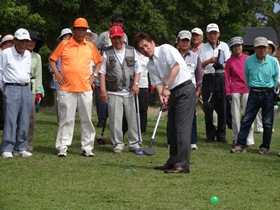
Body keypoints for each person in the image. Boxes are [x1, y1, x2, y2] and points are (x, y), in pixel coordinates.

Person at [133, 32, 196, 174]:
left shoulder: (166, 49)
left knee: (181, 129)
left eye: (146, 46)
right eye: (141, 49)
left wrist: (166, 87)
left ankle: (183, 165)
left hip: (185, 89)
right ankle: (173, 161)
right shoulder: (150, 64)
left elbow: (176, 68)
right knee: (171, 129)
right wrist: (162, 93)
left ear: (152, 42)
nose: (145, 50)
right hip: (172, 92)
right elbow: (157, 83)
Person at [49, 17, 102, 157]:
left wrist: (94, 75)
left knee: (87, 119)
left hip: (85, 88)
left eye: (83, 29)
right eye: (78, 29)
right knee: (66, 119)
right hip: (67, 88)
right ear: (74, 30)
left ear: (86, 31)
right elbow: (52, 59)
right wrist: (57, 73)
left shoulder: (90, 46)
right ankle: (62, 147)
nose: (81, 32)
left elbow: (99, 62)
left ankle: (87, 147)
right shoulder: (65, 44)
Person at [231, 37, 279, 155]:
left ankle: (265, 147)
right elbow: (247, 77)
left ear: (268, 49)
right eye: (259, 47)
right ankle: (240, 144)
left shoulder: (273, 61)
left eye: (264, 47)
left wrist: (273, 91)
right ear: (255, 49)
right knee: (246, 119)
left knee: (267, 123)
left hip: (268, 93)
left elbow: (276, 78)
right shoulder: (249, 60)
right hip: (254, 93)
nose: (262, 49)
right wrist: (252, 88)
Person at [99, 26, 142, 154]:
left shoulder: (132, 50)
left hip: (130, 92)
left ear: (123, 37)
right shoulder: (106, 53)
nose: (117, 40)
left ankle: (134, 144)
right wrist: (103, 90)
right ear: (110, 39)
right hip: (113, 91)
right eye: (114, 38)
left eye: (119, 37)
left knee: (133, 119)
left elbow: (138, 69)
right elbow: (102, 72)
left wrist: (136, 84)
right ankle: (117, 143)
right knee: (115, 120)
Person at [0, 28, 32, 158]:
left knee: (24, 119)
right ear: (14, 41)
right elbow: (0, 71)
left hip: (26, 87)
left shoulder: (28, 54)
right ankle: (7, 148)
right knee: (10, 119)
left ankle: (21, 147)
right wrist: (3, 89)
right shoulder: (6, 53)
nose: (23, 44)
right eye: (21, 41)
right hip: (11, 87)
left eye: (26, 41)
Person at [198, 23, 231, 143]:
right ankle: (210, 134)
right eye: (210, 33)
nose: (213, 35)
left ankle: (221, 134)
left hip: (220, 77)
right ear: (207, 35)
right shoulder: (202, 48)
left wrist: (221, 65)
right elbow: (200, 65)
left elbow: (228, 62)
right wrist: (209, 61)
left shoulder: (224, 46)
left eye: (215, 33)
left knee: (222, 106)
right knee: (208, 107)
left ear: (218, 34)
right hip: (208, 77)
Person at [225, 37, 254, 148]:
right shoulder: (229, 61)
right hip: (234, 90)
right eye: (235, 46)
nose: (237, 48)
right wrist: (228, 93)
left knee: (249, 115)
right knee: (235, 116)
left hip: (248, 89)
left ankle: (249, 139)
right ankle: (236, 138)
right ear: (232, 48)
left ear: (242, 46)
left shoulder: (249, 59)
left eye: (239, 45)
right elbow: (227, 78)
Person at [176, 30, 203, 150]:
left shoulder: (195, 57)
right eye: (183, 40)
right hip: (174, 89)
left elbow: (199, 76)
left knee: (191, 116)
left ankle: (192, 141)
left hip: (190, 90)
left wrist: (198, 90)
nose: (185, 43)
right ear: (178, 41)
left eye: (187, 40)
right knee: (174, 116)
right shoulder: (172, 55)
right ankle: (173, 141)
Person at [191, 27, 218, 129]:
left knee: (208, 106)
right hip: (193, 81)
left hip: (204, 81)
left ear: (202, 37)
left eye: (197, 35)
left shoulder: (205, 48)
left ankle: (216, 125)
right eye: (193, 35)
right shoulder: (191, 50)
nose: (195, 37)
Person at [49, 28, 73, 123]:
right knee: (60, 100)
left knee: (70, 101)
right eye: (66, 37)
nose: (68, 38)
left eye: (69, 37)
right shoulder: (57, 50)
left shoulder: (74, 50)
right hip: (59, 79)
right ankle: (60, 119)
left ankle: (68, 118)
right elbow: (51, 63)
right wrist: (54, 72)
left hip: (71, 79)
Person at [255, 40, 278, 133]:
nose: (267, 50)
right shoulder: (256, 60)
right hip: (258, 89)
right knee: (259, 109)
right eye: (266, 47)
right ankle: (260, 127)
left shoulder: (274, 61)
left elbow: (277, 75)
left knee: (274, 108)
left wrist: (275, 86)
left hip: (272, 88)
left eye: (269, 48)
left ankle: (269, 126)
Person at [27, 30, 43, 152]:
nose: (32, 42)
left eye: (34, 41)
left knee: (31, 117)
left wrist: (38, 91)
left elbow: (38, 76)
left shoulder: (37, 57)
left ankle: (29, 143)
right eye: (30, 40)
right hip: (18, 85)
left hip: (31, 87)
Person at [0, 34, 14, 130]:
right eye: (9, 42)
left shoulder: (12, 56)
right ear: (3, 44)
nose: (11, 45)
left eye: (12, 43)